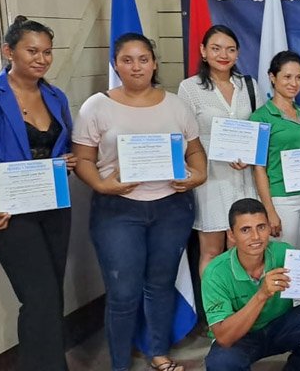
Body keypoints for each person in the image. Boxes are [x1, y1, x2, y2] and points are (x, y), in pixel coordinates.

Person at [73, 33, 207, 371]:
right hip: (118, 211)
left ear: (154, 63)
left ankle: (158, 353)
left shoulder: (175, 104)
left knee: (160, 285)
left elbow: (194, 151)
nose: (136, 66)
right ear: (116, 64)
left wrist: (197, 175)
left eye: (143, 59)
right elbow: (83, 160)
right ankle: (119, 364)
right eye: (127, 60)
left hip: (171, 207)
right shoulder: (96, 106)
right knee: (122, 293)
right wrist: (103, 186)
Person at [0, 16, 75, 371]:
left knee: (51, 295)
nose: (41, 59)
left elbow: (64, 143)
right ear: (9, 51)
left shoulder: (56, 96)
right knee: (38, 296)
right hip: (8, 214)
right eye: (32, 51)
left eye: (47, 52)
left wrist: (66, 160)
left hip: (53, 205)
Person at [203, 198, 300, 370]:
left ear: (269, 228)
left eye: (261, 227)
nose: (255, 237)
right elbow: (224, 338)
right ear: (231, 235)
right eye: (245, 230)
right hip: (242, 338)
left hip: (280, 327)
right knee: (221, 363)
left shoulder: (284, 252)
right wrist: (261, 295)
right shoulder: (215, 272)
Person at [178, 25, 260, 276]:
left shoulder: (249, 85)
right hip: (211, 179)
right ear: (203, 51)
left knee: (246, 249)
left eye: (230, 49)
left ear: (237, 53)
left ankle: (243, 310)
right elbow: (183, 136)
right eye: (216, 48)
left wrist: (249, 155)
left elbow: (260, 129)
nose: (223, 55)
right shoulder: (189, 88)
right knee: (212, 251)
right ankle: (215, 311)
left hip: (246, 179)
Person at [250, 51, 300, 250]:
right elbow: (259, 168)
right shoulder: (261, 118)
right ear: (273, 77)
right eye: (287, 77)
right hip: (281, 198)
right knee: (284, 259)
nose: (294, 83)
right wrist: (269, 210)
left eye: (298, 77)